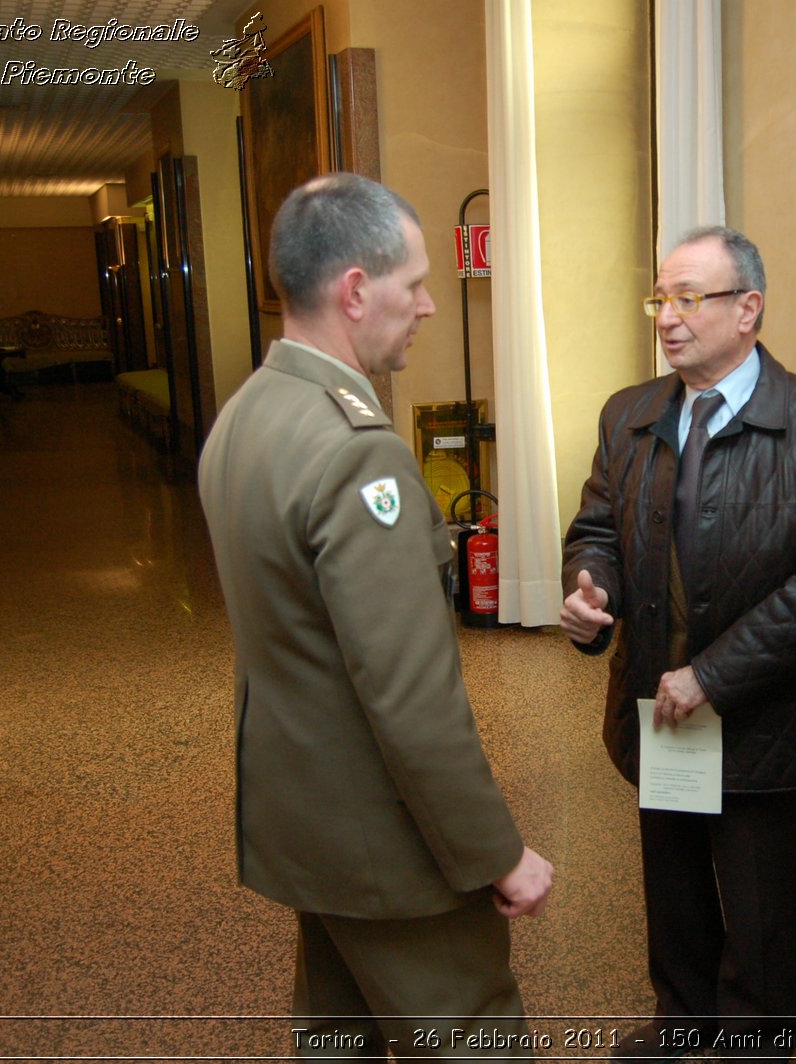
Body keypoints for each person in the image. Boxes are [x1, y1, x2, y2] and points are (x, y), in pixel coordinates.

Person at [198, 173, 552, 1058]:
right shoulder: (363, 458)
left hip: (308, 830)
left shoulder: (243, 419)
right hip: (390, 850)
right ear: (355, 291)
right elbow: (411, 700)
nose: (429, 306)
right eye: (415, 284)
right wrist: (496, 853)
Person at [561, 226, 796, 1058]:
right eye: (661, 297)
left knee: (760, 907)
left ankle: (752, 1044)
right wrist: (592, 590)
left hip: (765, 715)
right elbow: (596, 527)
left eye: (690, 298)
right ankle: (683, 1022)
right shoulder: (628, 414)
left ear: (749, 310)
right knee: (674, 888)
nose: (667, 317)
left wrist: (712, 676)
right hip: (659, 704)